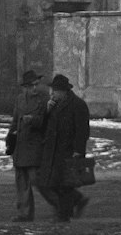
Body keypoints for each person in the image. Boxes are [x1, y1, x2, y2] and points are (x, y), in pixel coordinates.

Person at [34, 73, 91, 222]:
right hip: (52, 151)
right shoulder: (53, 105)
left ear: (63, 91)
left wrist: (78, 151)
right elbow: (43, 127)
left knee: (64, 185)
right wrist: (46, 112)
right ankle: (76, 201)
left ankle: (63, 215)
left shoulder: (78, 105)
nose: (52, 94)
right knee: (47, 183)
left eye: (55, 91)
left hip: (68, 152)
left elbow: (82, 131)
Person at [8, 69, 48, 221]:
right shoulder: (19, 100)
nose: (35, 88)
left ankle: (61, 204)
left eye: (36, 85)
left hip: (34, 146)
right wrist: (10, 138)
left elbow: (45, 122)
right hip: (20, 145)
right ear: (25, 87)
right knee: (22, 182)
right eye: (32, 86)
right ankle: (24, 214)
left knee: (39, 181)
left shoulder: (43, 100)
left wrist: (32, 120)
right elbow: (15, 121)